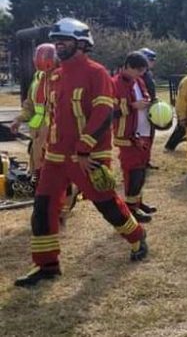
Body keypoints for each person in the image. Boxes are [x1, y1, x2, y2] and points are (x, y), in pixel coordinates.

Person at [14, 18, 148, 287]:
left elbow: (103, 113)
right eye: (56, 40)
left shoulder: (95, 72)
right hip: (54, 157)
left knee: (107, 204)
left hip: (86, 157)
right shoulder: (53, 76)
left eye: (64, 40)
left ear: (82, 43)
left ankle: (137, 238)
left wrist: (86, 148)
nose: (58, 44)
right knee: (43, 209)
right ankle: (47, 264)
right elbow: (51, 114)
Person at [113, 52, 155, 222]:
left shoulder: (138, 80)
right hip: (127, 136)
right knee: (133, 172)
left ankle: (137, 201)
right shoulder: (114, 84)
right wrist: (132, 107)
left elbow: (145, 97)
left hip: (144, 132)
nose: (141, 74)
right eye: (138, 71)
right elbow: (109, 113)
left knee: (142, 170)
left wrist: (149, 103)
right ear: (128, 66)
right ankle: (130, 209)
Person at [10, 43, 56, 178]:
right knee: (37, 169)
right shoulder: (37, 78)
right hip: (37, 134)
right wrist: (18, 119)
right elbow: (30, 104)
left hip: (53, 135)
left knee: (52, 173)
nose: (45, 73)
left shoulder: (61, 79)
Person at [138, 47, 159, 170]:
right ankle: (140, 161)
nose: (153, 62)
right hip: (141, 109)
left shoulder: (149, 74)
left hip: (151, 108)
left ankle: (146, 160)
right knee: (142, 136)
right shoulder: (138, 74)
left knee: (150, 134)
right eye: (151, 59)